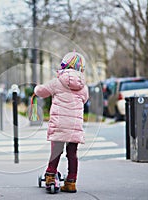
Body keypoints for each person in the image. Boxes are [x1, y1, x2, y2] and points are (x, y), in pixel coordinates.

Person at [34, 51, 89, 193]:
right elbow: (85, 99)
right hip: (74, 126)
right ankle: (71, 182)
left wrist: (36, 88)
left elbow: (41, 91)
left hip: (59, 124)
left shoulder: (57, 82)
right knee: (72, 153)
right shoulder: (83, 86)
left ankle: (51, 176)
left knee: (56, 151)